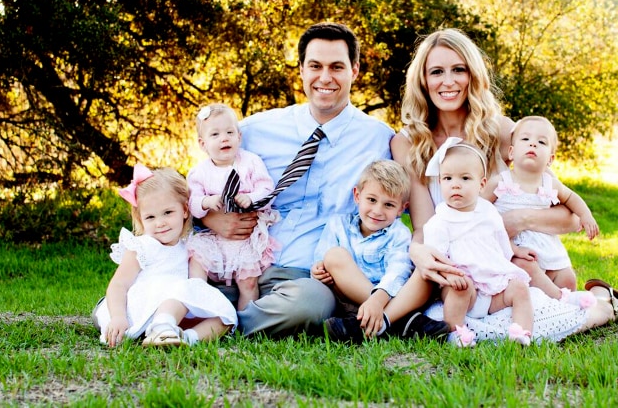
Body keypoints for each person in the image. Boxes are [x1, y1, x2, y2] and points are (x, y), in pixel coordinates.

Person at [391, 28, 618, 343]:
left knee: (523, 323)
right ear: (423, 80)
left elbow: (568, 217)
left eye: (458, 69)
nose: (448, 81)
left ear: (473, 76)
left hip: (511, 269)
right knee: (443, 323)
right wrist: (419, 252)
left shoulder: (503, 132)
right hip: (460, 274)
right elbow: (424, 225)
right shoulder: (409, 143)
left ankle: (607, 305)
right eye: (437, 72)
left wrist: (514, 222)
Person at [201, 22, 442, 338]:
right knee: (187, 278)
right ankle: (195, 307)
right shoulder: (255, 130)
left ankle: (219, 320)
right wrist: (209, 218)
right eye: (315, 66)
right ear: (301, 70)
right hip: (243, 261)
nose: (325, 77)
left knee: (308, 306)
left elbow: (413, 209)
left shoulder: (380, 141)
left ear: (354, 71)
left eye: (337, 67)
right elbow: (198, 183)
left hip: (312, 277)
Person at [94, 164, 237, 347]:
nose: (160, 223)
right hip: (143, 308)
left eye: (168, 213)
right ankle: (161, 328)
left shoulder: (191, 247)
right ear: (140, 219)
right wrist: (118, 317)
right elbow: (118, 285)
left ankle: (184, 338)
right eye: (150, 217)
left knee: (225, 316)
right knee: (182, 291)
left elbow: (197, 289)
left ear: (185, 210)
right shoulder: (143, 246)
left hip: (174, 310)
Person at [423, 139, 533, 347]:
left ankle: (521, 331)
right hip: (464, 286)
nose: (455, 184)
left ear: (481, 184)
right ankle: (456, 332)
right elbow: (436, 257)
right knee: (460, 289)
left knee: (519, 288)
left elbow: (500, 240)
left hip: (493, 285)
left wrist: (513, 252)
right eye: (448, 178)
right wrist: (450, 276)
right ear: (440, 182)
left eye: (465, 178)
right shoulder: (440, 221)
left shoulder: (488, 211)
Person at [490, 115, 599, 305]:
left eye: (541, 142)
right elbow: (479, 208)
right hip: (516, 249)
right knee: (523, 266)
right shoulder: (500, 181)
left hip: (546, 248)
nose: (532, 144)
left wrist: (586, 215)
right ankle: (561, 300)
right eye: (525, 139)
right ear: (511, 152)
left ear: (551, 158)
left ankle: (557, 302)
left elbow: (571, 198)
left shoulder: (549, 183)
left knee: (567, 277)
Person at [186, 102, 281, 311]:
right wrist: (205, 202)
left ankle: (247, 320)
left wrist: (252, 198)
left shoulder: (250, 162)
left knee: (248, 282)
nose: (224, 138)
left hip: (245, 241)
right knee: (197, 264)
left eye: (230, 132)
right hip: (213, 238)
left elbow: (267, 187)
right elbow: (192, 202)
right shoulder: (199, 173)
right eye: (215, 134)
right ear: (202, 144)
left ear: (239, 136)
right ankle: (197, 304)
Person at [311, 160, 414, 341]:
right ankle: (394, 320)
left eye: (388, 205)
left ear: (401, 209)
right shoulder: (338, 224)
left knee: (411, 272)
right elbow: (322, 259)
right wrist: (317, 271)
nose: (377, 211)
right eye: (372, 200)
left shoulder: (399, 234)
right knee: (334, 255)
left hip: (385, 297)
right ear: (357, 196)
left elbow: (398, 270)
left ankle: (372, 320)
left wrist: (377, 299)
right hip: (344, 299)